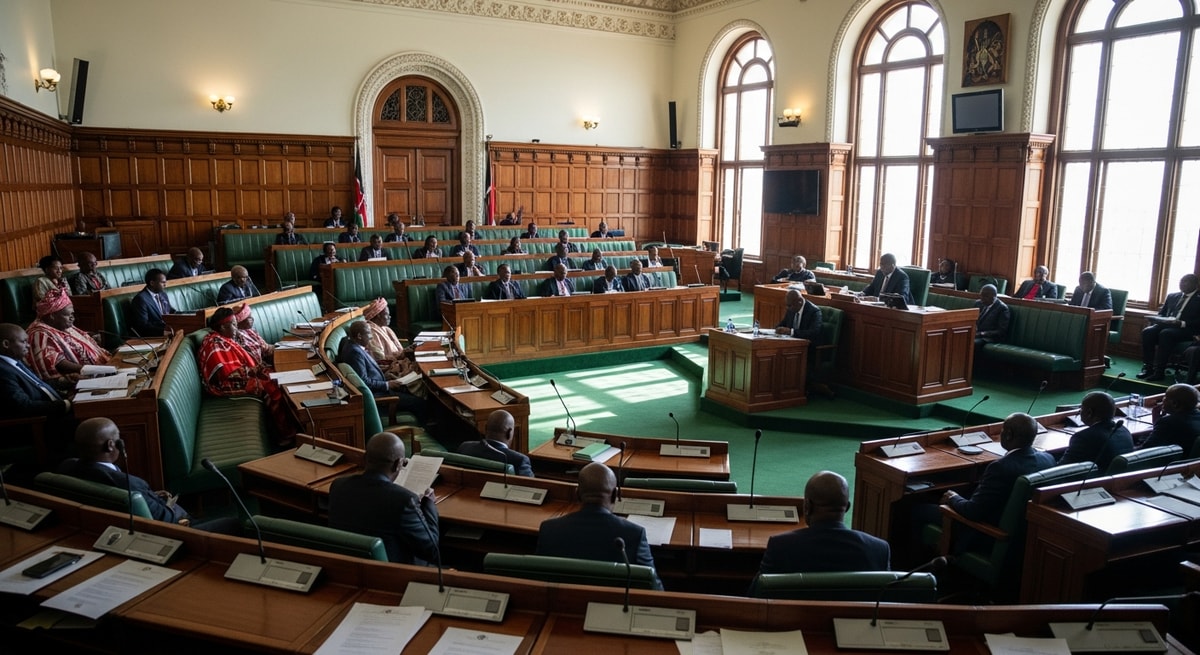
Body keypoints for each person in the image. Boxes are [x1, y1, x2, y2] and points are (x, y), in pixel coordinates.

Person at [935, 413, 1055, 550]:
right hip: (1024, 536)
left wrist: (953, 498)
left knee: (917, 510)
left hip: (987, 535)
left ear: (1008, 434)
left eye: (1003, 430)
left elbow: (973, 511)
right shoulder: (1048, 459)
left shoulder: (1001, 467)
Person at [536, 462, 661, 588]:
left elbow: (538, 581)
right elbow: (653, 588)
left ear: (577, 494)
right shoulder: (635, 534)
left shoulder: (549, 530)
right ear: (615, 495)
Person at [328, 431, 440, 564]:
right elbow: (431, 551)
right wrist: (429, 505)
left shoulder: (338, 486)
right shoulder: (404, 500)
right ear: (398, 464)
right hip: (391, 575)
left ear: (365, 458)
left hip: (346, 567)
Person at [755, 471, 889, 577]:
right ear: (846, 507)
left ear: (807, 506)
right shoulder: (879, 550)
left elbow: (757, 597)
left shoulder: (780, 547)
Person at [66, 417, 191, 525]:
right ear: (110, 445)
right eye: (118, 438)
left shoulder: (66, 467)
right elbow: (167, 519)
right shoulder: (129, 484)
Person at [198, 307, 296, 443]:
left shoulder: (227, 337)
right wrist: (254, 371)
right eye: (233, 324)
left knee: (279, 379)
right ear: (222, 327)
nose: (236, 328)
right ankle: (284, 435)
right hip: (226, 385)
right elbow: (227, 374)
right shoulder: (215, 343)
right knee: (272, 388)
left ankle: (292, 426)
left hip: (242, 377)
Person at [336, 321, 426, 418]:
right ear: (359, 336)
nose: (371, 337)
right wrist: (387, 385)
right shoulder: (354, 352)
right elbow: (364, 382)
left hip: (381, 386)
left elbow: (367, 370)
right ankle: (423, 429)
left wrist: (384, 370)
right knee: (419, 402)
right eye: (369, 333)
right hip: (379, 395)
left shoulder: (353, 346)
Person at [26, 288, 110, 385]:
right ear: (52, 315)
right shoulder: (39, 333)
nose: (72, 318)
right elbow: (57, 362)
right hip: (77, 381)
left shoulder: (58, 324)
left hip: (98, 371)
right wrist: (90, 369)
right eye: (68, 315)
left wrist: (90, 339)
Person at [0, 322, 73, 423]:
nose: (29, 346)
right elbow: (24, 406)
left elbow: (38, 385)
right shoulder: (3, 371)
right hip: (44, 421)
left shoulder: (16, 361)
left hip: (56, 409)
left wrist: (65, 381)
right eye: (24, 342)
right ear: (6, 344)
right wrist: (67, 404)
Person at [1140, 273, 1200, 381]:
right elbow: (1162, 313)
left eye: (1186, 282)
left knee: (1166, 334)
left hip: (1187, 329)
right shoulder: (1172, 296)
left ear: (1195, 285)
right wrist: (1156, 319)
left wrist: (1182, 323)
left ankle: (1159, 371)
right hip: (1167, 325)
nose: (1182, 284)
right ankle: (1148, 368)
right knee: (1147, 332)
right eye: (1181, 281)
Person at [1057, 391, 1134, 470]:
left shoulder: (1084, 437)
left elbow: (1061, 470)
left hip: (1095, 480)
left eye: (1081, 409)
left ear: (1089, 413)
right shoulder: (1124, 431)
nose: (1080, 413)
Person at [458, 410, 533, 477]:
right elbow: (533, 487)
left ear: (485, 428)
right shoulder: (519, 460)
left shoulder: (464, 447)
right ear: (509, 433)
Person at [1142, 384, 1200, 452]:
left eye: (1165, 397)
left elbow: (1146, 449)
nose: (1162, 400)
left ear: (1175, 403)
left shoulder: (1168, 422)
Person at [128, 268, 173, 336]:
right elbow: (143, 326)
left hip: (170, 330)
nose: (165, 285)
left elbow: (171, 311)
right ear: (152, 283)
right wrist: (164, 332)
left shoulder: (163, 294)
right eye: (162, 282)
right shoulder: (140, 299)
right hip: (155, 335)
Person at [974, 284, 1010, 353]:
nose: (982, 299)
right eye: (981, 295)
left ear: (994, 297)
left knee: (972, 343)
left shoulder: (1002, 309)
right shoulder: (978, 303)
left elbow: (1001, 331)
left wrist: (982, 334)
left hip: (990, 338)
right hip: (976, 334)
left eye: (985, 296)